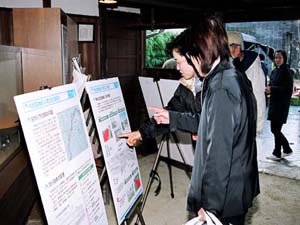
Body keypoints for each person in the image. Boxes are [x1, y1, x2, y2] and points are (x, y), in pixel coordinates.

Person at [152, 16, 259, 225]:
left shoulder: (220, 88)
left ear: (201, 53)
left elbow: (219, 153)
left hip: (227, 195)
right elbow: (214, 123)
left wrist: (211, 207)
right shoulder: (232, 75)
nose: (190, 62)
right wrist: (172, 117)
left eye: (190, 57)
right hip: (238, 183)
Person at [118, 30, 202, 147]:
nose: (177, 68)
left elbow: (212, 123)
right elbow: (171, 111)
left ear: (192, 57)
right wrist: (141, 133)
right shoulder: (187, 85)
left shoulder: (215, 84)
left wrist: (202, 131)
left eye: (179, 62)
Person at [227, 31, 266, 133]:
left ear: (237, 48)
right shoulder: (231, 64)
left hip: (249, 126)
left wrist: (256, 127)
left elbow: (258, 98)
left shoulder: (253, 67)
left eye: (227, 48)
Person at [265, 49, 294, 161]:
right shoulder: (274, 72)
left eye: (279, 57)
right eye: (276, 57)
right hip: (274, 103)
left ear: (284, 59)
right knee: (275, 129)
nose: (277, 60)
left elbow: (287, 90)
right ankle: (282, 150)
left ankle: (282, 150)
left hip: (281, 105)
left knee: (275, 129)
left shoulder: (287, 72)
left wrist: (272, 89)